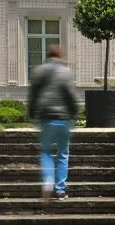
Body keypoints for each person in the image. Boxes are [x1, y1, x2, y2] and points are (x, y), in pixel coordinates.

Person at [27, 44, 79, 202]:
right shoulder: (65, 72)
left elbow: (33, 96)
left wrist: (31, 114)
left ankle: (48, 179)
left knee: (45, 152)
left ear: (47, 56)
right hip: (63, 118)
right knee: (63, 154)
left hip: (45, 117)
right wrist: (74, 113)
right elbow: (70, 95)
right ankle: (60, 190)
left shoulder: (39, 71)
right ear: (60, 56)